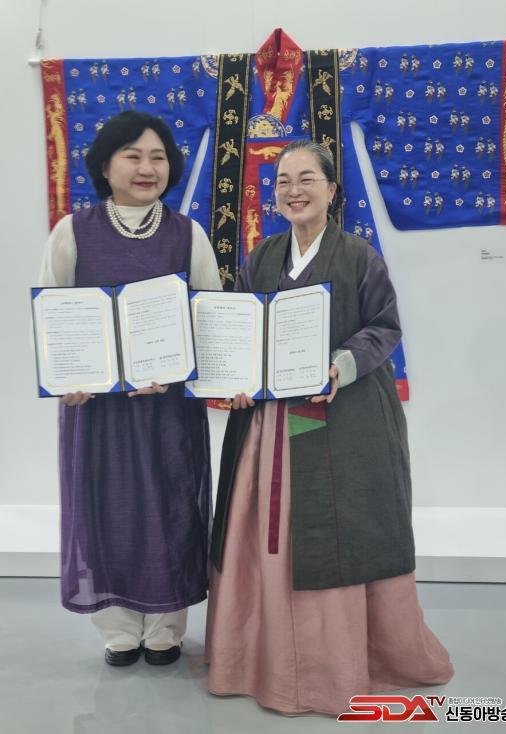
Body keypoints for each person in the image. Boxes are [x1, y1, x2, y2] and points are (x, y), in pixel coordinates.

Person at [205, 140, 453, 715]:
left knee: (335, 533)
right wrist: (235, 377)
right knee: (264, 533)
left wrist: (340, 365)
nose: (294, 190)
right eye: (283, 181)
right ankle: (259, 659)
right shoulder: (262, 256)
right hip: (270, 423)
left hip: (341, 418)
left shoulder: (359, 256)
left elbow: (384, 327)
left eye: (307, 179)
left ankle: (333, 666)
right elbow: (240, 328)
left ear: (332, 190)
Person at [38, 111, 221, 666]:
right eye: (133, 156)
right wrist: (65, 380)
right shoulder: (72, 231)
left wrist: (182, 370)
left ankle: (165, 628)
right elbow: (52, 315)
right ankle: (117, 629)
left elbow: (211, 319)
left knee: (171, 507)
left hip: (167, 409)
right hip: (98, 411)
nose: (147, 168)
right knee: (107, 507)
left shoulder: (188, 234)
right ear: (104, 165)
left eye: (158, 157)